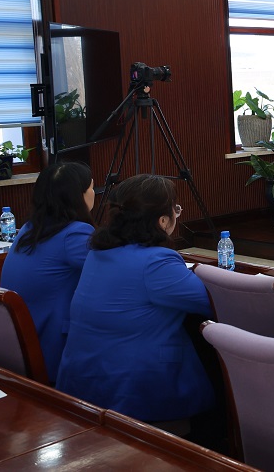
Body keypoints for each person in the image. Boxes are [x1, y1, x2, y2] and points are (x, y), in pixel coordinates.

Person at [58, 174, 214, 425]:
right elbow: (211, 303)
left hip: (84, 381)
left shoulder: (98, 253)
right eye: (175, 209)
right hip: (133, 391)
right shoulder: (156, 262)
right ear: (163, 221)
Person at [0, 161, 95, 383]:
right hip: (53, 349)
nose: (94, 193)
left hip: (20, 345)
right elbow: (114, 272)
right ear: (79, 196)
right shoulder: (75, 234)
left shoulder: (28, 229)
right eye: (91, 187)